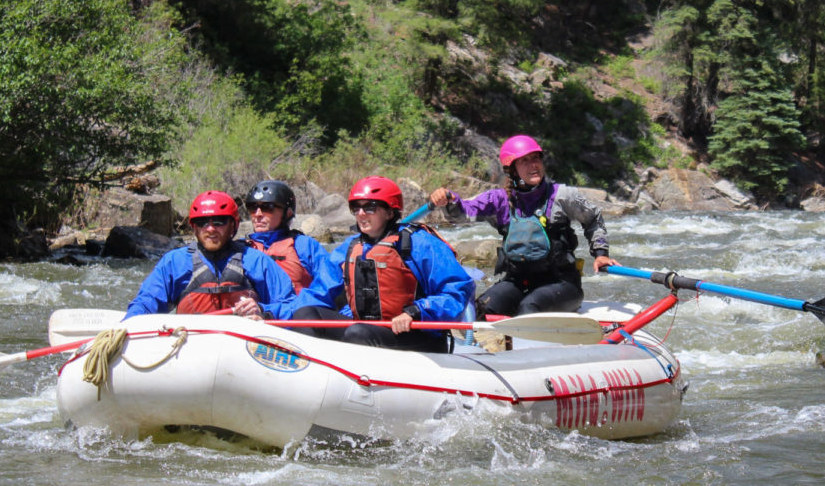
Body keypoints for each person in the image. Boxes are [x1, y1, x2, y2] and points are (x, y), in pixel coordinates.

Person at [428, 134, 615, 317]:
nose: (533, 165)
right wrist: (450, 199)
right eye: (524, 161)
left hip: (562, 284)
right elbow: (463, 213)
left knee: (529, 307)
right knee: (482, 309)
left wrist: (601, 254)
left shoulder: (562, 196)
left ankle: (529, 346)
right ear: (512, 170)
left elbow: (593, 218)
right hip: (518, 282)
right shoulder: (500, 200)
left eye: (536, 158)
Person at [292, 176, 474, 351]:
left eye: (370, 207)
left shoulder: (418, 242)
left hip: (418, 335)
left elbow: (458, 288)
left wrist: (416, 311)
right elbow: (318, 291)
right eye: (356, 208)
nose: (361, 214)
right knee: (305, 315)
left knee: (358, 332)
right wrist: (278, 320)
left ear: (389, 212)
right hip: (368, 330)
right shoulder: (350, 247)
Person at [123, 191, 299, 320]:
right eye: (202, 222)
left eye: (219, 221)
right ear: (194, 227)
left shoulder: (256, 260)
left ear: (233, 226)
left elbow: (291, 305)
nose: (210, 229)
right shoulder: (174, 262)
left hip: (245, 343)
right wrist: (129, 325)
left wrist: (263, 310)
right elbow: (146, 302)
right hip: (193, 343)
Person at [242, 179, 344, 312]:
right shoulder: (241, 248)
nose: (258, 214)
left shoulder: (304, 245)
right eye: (253, 208)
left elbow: (330, 287)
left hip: (294, 321)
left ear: (288, 213)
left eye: (268, 208)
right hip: (250, 321)